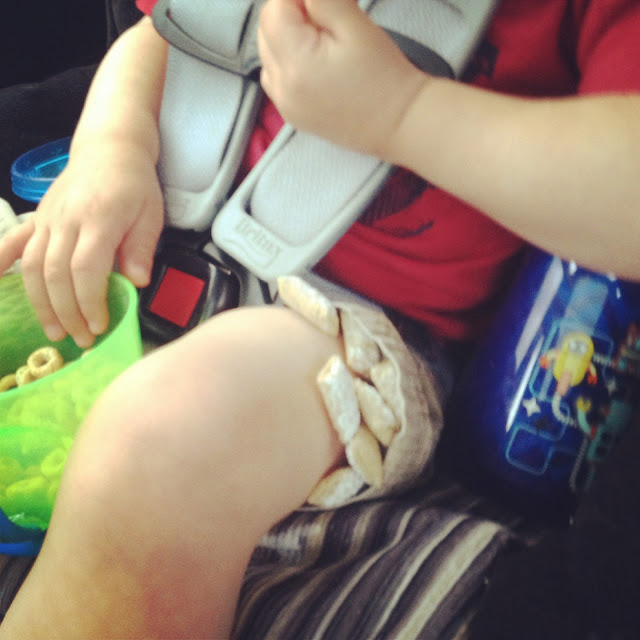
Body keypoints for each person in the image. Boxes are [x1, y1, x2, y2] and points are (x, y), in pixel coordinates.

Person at [0, 0, 639, 637]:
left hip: (356, 327)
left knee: (155, 448)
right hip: (164, 227)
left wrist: (405, 113)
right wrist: (109, 149)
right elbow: (170, 33)